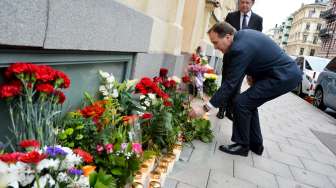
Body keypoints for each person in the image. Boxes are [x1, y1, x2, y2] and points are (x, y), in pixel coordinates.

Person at [190, 22, 302, 157]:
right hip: (279, 74)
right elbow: (251, 59)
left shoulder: (239, 47)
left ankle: (242, 145)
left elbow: (231, 83)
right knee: (248, 103)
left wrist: (204, 108)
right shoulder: (240, 38)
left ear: (227, 37)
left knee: (241, 102)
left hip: (283, 76)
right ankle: (256, 144)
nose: (215, 47)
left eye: (215, 42)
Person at [217, 0, 263, 120]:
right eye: (242, 2)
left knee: (237, 85)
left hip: (244, 60)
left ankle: (230, 110)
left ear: (252, 3)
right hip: (229, 57)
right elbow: (223, 35)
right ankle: (222, 108)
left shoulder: (258, 20)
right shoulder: (231, 16)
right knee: (225, 82)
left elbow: (257, 40)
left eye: (247, 2)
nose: (244, 5)